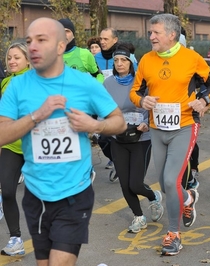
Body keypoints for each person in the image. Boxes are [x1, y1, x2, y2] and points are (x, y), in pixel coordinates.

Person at [0, 17, 126, 265]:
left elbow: (119, 122)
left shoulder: (84, 84)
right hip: (36, 194)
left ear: (60, 46)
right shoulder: (17, 87)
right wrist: (37, 115)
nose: (33, 46)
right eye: (29, 41)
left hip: (74, 191)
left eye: (41, 40)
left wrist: (95, 125)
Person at [130, 13, 210, 256]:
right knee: (165, 183)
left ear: (171, 34)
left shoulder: (191, 58)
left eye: (156, 32)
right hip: (158, 128)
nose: (151, 36)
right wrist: (142, 100)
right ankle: (188, 198)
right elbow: (135, 91)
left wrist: (205, 100)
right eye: (151, 32)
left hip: (184, 125)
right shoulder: (146, 60)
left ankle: (173, 233)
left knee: (171, 181)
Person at [103, 44, 164, 233]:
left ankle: (153, 196)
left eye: (124, 60)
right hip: (118, 138)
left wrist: (146, 122)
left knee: (135, 183)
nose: (120, 64)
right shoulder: (108, 83)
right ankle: (139, 216)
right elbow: (102, 107)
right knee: (124, 183)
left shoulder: (141, 81)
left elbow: (152, 104)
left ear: (131, 62)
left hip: (141, 138)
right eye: (116, 60)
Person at [0, 42, 31, 256]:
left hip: (34, 145)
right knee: (8, 191)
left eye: (17, 57)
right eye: (9, 57)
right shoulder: (5, 83)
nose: (12, 61)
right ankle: (15, 238)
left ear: (28, 60)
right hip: (11, 144)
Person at [95, 27, 119, 172]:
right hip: (102, 103)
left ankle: (121, 161)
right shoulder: (95, 58)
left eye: (106, 39)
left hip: (120, 102)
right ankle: (116, 160)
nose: (102, 42)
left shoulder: (124, 56)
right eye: (101, 39)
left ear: (115, 40)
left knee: (119, 135)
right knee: (103, 138)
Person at [58, 18, 104, 83]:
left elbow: (99, 75)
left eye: (67, 31)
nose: (64, 34)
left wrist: (93, 91)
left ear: (73, 35)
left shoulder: (85, 54)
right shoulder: (49, 57)